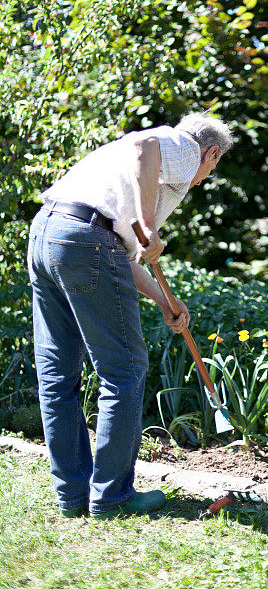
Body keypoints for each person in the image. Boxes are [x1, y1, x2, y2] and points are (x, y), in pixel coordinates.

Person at [26, 112, 234, 519]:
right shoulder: (181, 146)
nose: (205, 176)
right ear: (210, 153)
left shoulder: (124, 170)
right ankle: (112, 496)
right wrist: (149, 224)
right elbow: (146, 147)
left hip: (49, 234)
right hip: (84, 240)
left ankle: (74, 496)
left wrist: (165, 300)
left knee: (58, 375)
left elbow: (118, 253)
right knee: (124, 368)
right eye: (213, 167)